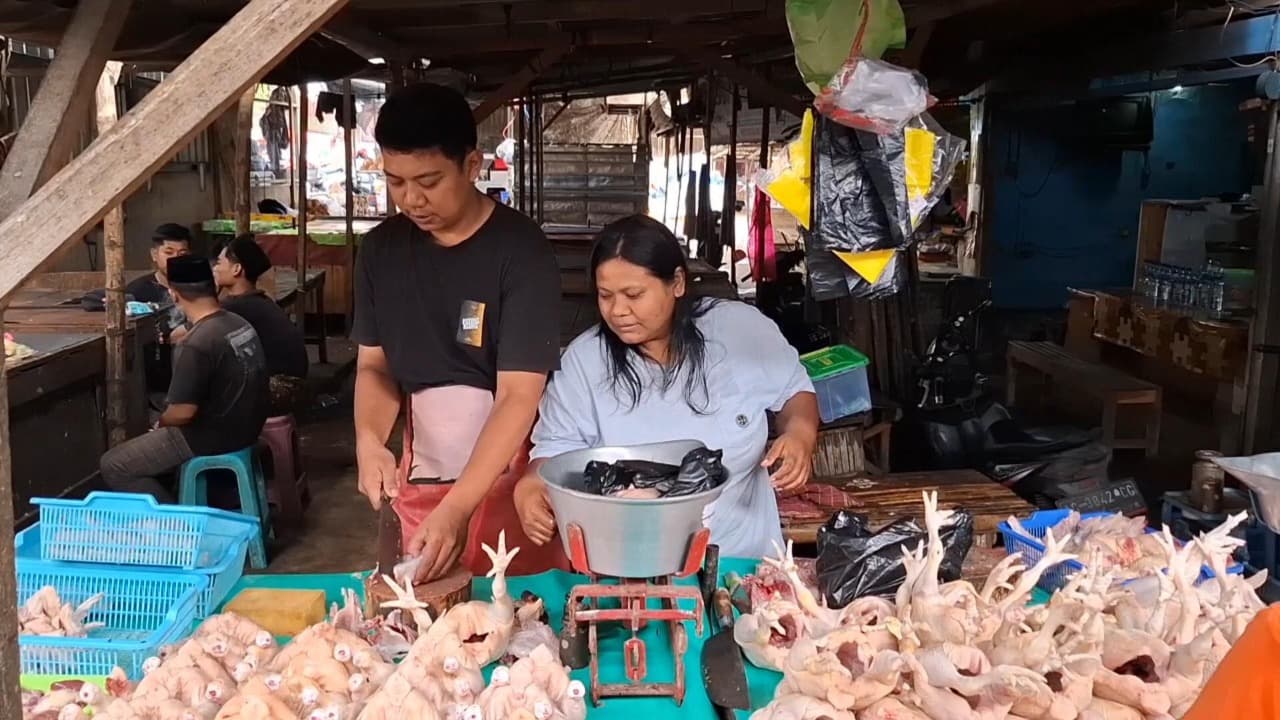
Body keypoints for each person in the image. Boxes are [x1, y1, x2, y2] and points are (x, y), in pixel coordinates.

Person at [513, 215, 820, 559]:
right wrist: (530, 486)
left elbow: (795, 391)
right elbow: (554, 450)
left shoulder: (739, 330)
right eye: (605, 295)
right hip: (630, 567)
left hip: (743, 562)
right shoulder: (584, 363)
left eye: (634, 294)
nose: (618, 311)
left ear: (676, 282)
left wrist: (800, 435)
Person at [352, 83, 562, 582]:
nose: (411, 199)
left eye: (429, 180)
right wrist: (368, 440)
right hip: (422, 464)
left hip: (509, 466)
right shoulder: (380, 251)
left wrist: (460, 506)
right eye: (396, 182)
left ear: (472, 166)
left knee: (517, 606)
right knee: (427, 604)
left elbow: (518, 395)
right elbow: (374, 365)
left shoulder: (521, 252)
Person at [100, 256, 270, 502]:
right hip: (247, 426)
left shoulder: (197, 343)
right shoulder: (238, 323)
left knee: (114, 464)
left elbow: (183, 413)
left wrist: (160, 424)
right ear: (212, 287)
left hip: (210, 436)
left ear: (174, 294)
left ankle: (175, 523)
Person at [212, 234, 309, 415]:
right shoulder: (258, 300)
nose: (215, 269)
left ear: (236, 269)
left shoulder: (237, 306)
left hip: (282, 387)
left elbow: (190, 332)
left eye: (219, 263)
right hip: (292, 383)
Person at [126, 223, 192, 304]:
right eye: (169, 252)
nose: (175, 259)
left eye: (182, 254)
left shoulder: (199, 290)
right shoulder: (137, 292)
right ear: (154, 254)